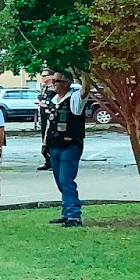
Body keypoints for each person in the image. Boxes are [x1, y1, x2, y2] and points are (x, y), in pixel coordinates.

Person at [45, 71, 88, 227]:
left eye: (57, 81)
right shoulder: (53, 100)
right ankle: (67, 211)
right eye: (53, 81)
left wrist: (84, 72)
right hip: (54, 146)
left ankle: (74, 215)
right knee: (60, 181)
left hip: (70, 146)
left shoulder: (74, 98)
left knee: (66, 179)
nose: (53, 84)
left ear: (66, 83)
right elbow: (49, 123)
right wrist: (44, 144)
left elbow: (85, 90)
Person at [35, 69, 56, 170]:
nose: (42, 78)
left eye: (45, 76)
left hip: (51, 116)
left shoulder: (54, 89)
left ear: (51, 76)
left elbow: (54, 103)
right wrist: (40, 116)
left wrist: (45, 105)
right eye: (42, 76)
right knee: (44, 138)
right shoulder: (44, 88)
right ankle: (47, 161)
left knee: (50, 139)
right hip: (44, 116)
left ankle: (54, 162)